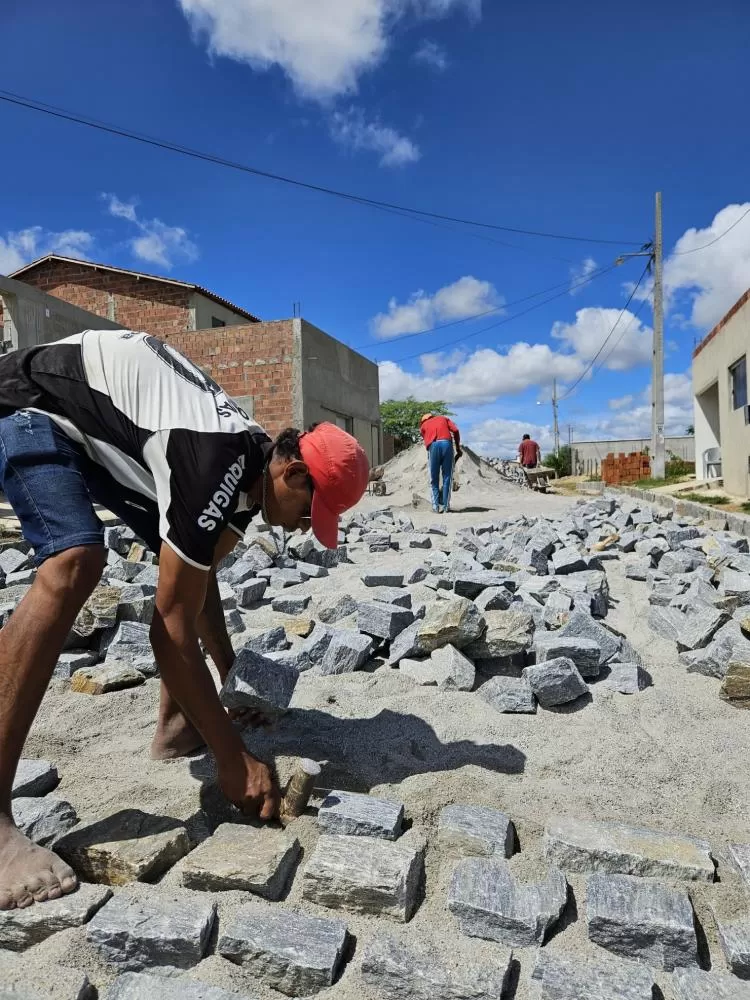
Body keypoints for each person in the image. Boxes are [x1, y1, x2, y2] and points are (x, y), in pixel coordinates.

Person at [0, 329, 369, 911]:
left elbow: (200, 577)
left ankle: (176, 727)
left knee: (197, 562)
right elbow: (166, 627)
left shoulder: (246, 469)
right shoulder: (213, 458)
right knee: (75, 561)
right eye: (309, 511)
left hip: (101, 433)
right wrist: (232, 759)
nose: (303, 527)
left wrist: (231, 679)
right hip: (30, 404)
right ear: (293, 473)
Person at [419, 412, 462, 513]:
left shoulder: (423, 426)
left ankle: (435, 507)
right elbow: (455, 430)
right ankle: (446, 507)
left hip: (433, 446)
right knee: (447, 477)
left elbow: (426, 442)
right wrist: (458, 448)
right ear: (432, 417)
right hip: (447, 445)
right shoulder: (443, 418)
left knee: (434, 478)